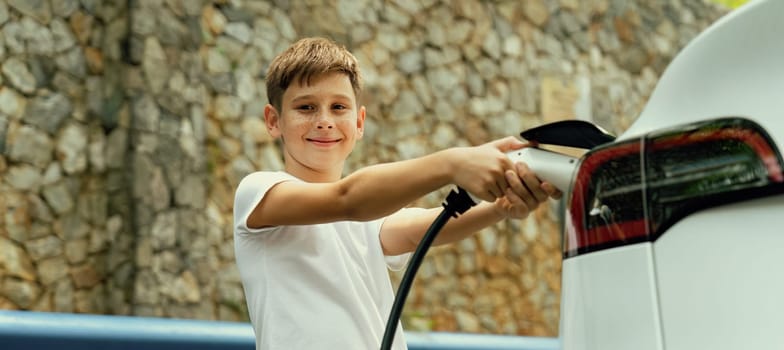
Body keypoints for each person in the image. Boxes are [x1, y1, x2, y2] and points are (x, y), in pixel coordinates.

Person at [233, 37, 561, 350]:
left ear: (359, 122)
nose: (324, 121)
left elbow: (428, 226)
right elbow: (347, 199)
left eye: (338, 107)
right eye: (306, 107)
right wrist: (453, 162)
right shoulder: (259, 192)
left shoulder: (370, 219)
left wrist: (502, 206)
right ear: (273, 121)